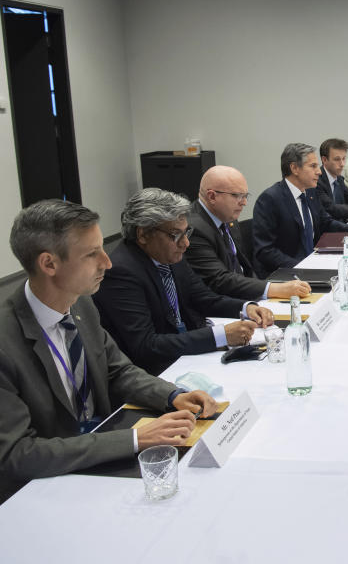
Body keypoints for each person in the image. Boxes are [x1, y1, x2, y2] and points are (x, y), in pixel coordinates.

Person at [0, 200, 217, 504]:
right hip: (40, 492)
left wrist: (170, 395)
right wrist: (134, 439)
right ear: (49, 264)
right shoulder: (5, 342)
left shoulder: (80, 304)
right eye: (92, 254)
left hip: (98, 464)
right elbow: (16, 455)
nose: (108, 262)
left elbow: (116, 369)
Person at [95, 189, 275, 375]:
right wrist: (221, 335)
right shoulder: (120, 272)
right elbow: (146, 345)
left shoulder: (169, 255)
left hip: (188, 356)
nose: (185, 243)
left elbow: (204, 298)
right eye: (175, 235)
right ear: (142, 235)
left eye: (186, 232)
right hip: (158, 372)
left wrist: (247, 308)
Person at [185, 165, 310, 301]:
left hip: (246, 296)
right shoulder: (194, 229)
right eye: (237, 196)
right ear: (212, 196)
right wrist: (273, 289)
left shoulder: (227, 218)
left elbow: (243, 268)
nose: (244, 203)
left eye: (245, 196)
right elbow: (219, 280)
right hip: (222, 307)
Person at [252, 143, 348, 276]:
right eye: (313, 166)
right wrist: (303, 267)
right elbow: (265, 251)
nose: (319, 171)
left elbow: (325, 222)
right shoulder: (270, 199)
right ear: (294, 168)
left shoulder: (311, 192)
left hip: (313, 264)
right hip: (286, 273)